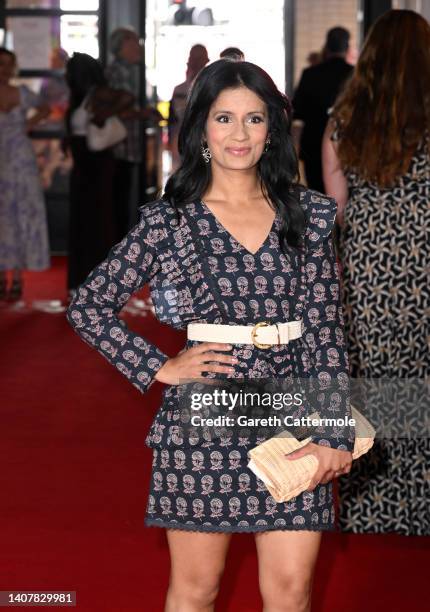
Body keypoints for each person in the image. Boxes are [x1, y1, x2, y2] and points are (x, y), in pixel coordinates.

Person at [67, 59, 355, 611]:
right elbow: (90, 304)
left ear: (273, 128)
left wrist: (333, 433)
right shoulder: (169, 221)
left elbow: (325, 331)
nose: (239, 134)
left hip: (295, 418)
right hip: (204, 425)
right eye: (224, 118)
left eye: (254, 119)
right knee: (197, 591)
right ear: (200, 129)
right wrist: (159, 366)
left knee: (292, 593)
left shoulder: (311, 215)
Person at [322, 9, 430, 536]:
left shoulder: (345, 120)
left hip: (368, 272)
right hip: (425, 268)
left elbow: (334, 209)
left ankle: (372, 507)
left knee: (375, 382)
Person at [65, 52, 133, 296]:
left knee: (97, 221)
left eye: (70, 70)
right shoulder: (81, 96)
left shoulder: (96, 92)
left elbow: (127, 97)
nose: (66, 75)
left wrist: (103, 115)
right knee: (83, 222)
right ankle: (82, 282)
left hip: (96, 163)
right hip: (85, 163)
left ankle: (97, 283)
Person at [0, 47, 50, 301]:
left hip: (20, 158)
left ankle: (17, 276)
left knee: (21, 213)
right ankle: (1, 275)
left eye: (9, 63)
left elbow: (45, 107)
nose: (5, 68)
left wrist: (29, 123)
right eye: (1, 63)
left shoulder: (21, 92)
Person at [106, 27, 161, 242]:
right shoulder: (118, 72)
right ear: (121, 47)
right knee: (120, 197)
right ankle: (120, 245)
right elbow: (117, 108)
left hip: (130, 144)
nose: (138, 47)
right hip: (120, 145)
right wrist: (143, 113)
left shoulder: (133, 70)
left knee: (129, 194)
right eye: (133, 43)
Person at [292, 26, 353, 193]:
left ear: (327, 46)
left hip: (314, 144)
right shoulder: (354, 75)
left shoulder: (311, 74)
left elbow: (297, 110)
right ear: (347, 47)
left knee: (318, 196)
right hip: (346, 145)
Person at [168, 44, 209, 170]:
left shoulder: (213, 88)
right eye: (193, 58)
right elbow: (176, 116)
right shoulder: (179, 89)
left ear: (206, 61)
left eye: (199, 58)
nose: (196, 62)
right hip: (182, 142)